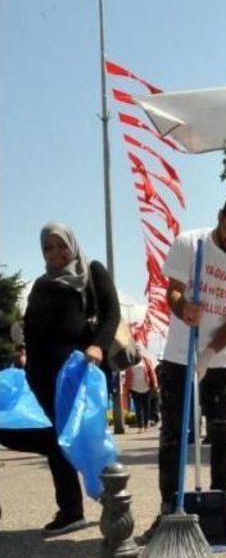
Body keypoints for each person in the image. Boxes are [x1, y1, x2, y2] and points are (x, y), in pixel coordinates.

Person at [141, 190, 226, 542]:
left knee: (222, 433)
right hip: (179, 354)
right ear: (220, 215)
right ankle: (169, 509)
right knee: (173, 435)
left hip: (220, 358)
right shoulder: (189, 243)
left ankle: (218, 507)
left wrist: (209, 354)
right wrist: (183, 309)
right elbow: (173, 292)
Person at [23, 223, 120, 536]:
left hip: (81, 370)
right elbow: (32, 328)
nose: (55, 253)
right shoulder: (40, 285)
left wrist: (98, 345)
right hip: (45, 374)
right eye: (48, 248)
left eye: (60, 245)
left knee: (89, 436)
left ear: (72, 244)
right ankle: (70, 509)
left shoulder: (92, 272)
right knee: (56, 442)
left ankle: (115, 500)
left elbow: (111, 315)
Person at [124, 350, 158, 431]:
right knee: (138, 408)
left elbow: (152, 373)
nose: (137, 353)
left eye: (138, 351)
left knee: (146, 408)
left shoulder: (146, 361)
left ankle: (146, 425)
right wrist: (127, 387)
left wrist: (155, 384)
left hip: (146, 388)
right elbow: (127, 376)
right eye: (136, 352)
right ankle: (140, 427)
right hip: (134, 389)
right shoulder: (129, 362)